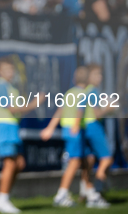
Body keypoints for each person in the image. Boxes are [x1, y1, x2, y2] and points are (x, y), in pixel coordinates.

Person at [0, 56, 44, 213]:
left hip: (12, 128)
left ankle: (3, 197)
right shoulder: (0, 85)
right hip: (4, 127)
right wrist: (34, 105)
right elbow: (11, 108)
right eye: (6, 69)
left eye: (11, 69)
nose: (10, 72)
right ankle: (2, 198)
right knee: (10, 163)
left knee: (19, 163)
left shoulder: (11, 87)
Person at [41, 67, 90, 207]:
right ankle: (62, 194)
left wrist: (50, 128)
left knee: (84, 160)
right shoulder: (83, 93)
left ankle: (88, 191)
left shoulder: (70, 93)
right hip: (75, 130)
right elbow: (80, 110)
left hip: (67, 130)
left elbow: (60, 111)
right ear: (88, 80)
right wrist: (76, 125)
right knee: (74, 162)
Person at [81, 64, 116, 208]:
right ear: (88, 77)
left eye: (100, 74)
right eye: (96, 74)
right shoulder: (93, 91)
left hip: (85, 128)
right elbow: (97, 114)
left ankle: (87, 191)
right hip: (94, 127)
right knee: (107, 160)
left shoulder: (85, 91)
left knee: (89, 161)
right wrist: (109, 108)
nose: (99, 77)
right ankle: (96, 192)